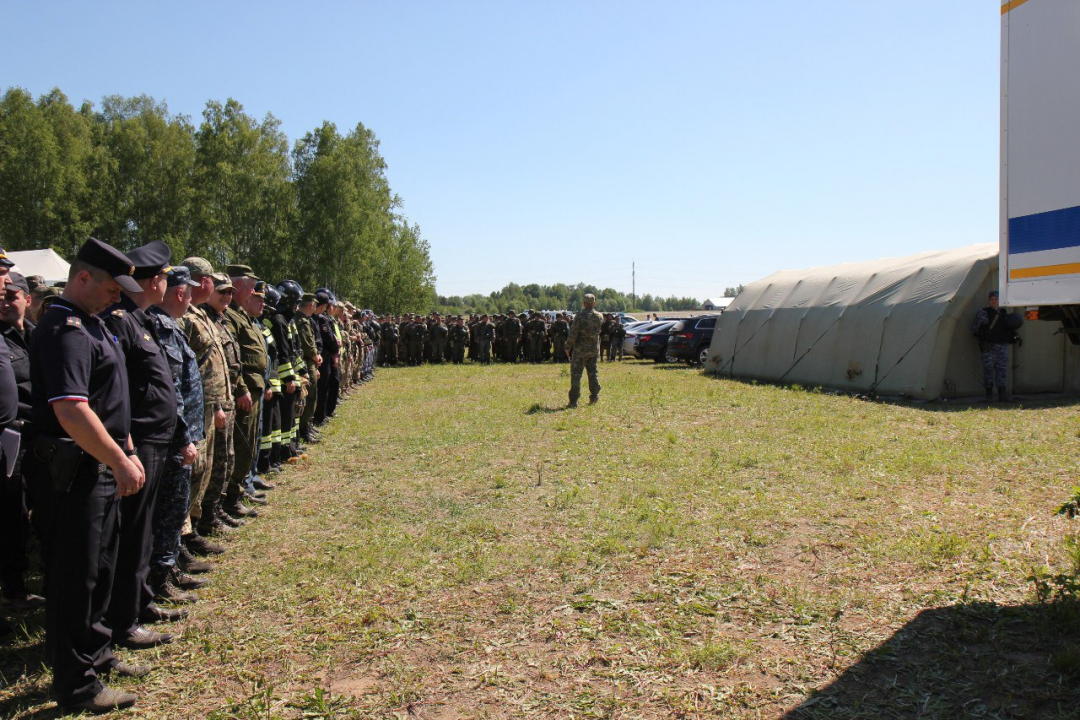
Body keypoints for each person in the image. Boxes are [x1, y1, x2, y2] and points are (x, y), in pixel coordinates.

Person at [27, 237, 147, 713]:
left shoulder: (93, 325)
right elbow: (72, 410)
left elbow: (110, 399)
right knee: (77, 579)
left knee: (100, 569)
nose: (118, 297)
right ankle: (76, 685)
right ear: (82, 278)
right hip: (75, 473)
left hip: (99, 466)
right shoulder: (66, 329)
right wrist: (118, 459)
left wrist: (126, 450)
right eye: (111, 288)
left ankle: (97, 655)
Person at [971, 290, 1020, 401]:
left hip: (1002, 346)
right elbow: (974, 329)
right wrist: (983, 336)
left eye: (996, 299)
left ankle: (1002, 394)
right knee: (988, 371)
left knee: (1001, 370)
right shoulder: (983, 314)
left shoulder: (1004, 314)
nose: (994, 301)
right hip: (989, 347)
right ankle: (989, 395)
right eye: (992, 299)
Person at [565, 293, 604, 408]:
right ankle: (594, 396)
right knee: (593, 374)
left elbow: (573, 334)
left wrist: (567, 347)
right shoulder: (599, 316)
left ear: (584, 303)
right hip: (593, 350)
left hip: (580, 351)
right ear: (594, 303)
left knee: (576, 375)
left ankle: (573, 402)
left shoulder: (579, 316)